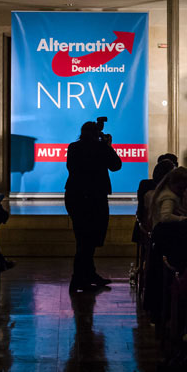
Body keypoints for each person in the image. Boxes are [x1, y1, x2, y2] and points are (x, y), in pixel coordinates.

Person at [65, 120, 122, 292]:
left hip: (76, 197)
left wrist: (103, 145)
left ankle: (89, 275)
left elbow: (72, 168)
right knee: (87, 242)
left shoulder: (74, 147)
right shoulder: (100, 148)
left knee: (84, 240)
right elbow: (116, 165)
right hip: (93, 199)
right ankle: (78, 280)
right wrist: (106, 146)